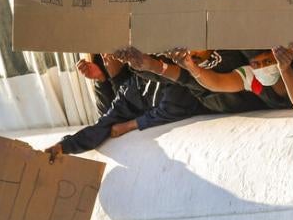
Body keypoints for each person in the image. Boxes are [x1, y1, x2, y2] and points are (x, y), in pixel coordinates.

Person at [43, 54, 207, 159]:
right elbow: (105, 122)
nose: (110, 57)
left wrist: (131, 125)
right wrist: (63, 146)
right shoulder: (132, 86)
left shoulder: (173, 71)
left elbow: (174, 108)